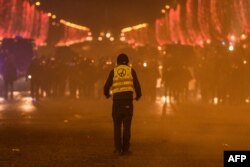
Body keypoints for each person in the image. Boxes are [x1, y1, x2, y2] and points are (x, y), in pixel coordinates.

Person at [104, 53, 141, 156]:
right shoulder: (131, 71)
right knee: (127, 127)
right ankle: (125, 149)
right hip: (128, 102)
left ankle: (117, 149)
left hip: (117, 102)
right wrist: (138, 96)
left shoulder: (113, 71)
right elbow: (137, 86)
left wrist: (107, 94)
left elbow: (106, 86)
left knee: (117, 126)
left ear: (117, 62)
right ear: (128, 62)